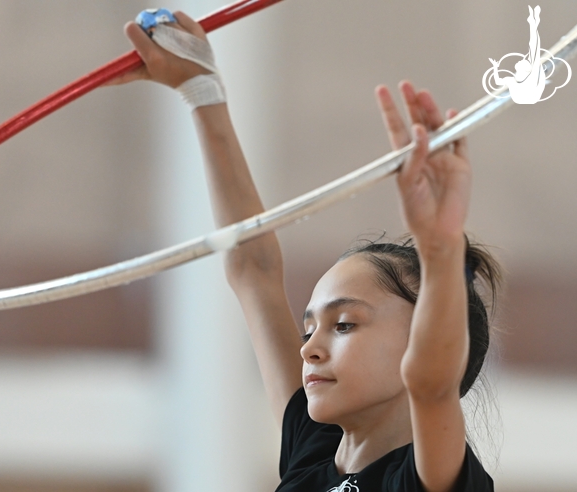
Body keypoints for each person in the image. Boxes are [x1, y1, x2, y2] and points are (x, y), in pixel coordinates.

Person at [108, 10, 500, 492]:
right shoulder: (312, 449)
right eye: (310, 327)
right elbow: (253, 270)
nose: (309, 348)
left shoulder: (429, 477)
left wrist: (440, 248)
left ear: (422, 339)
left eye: (344, 325)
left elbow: (432, 381)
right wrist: (201, 91)